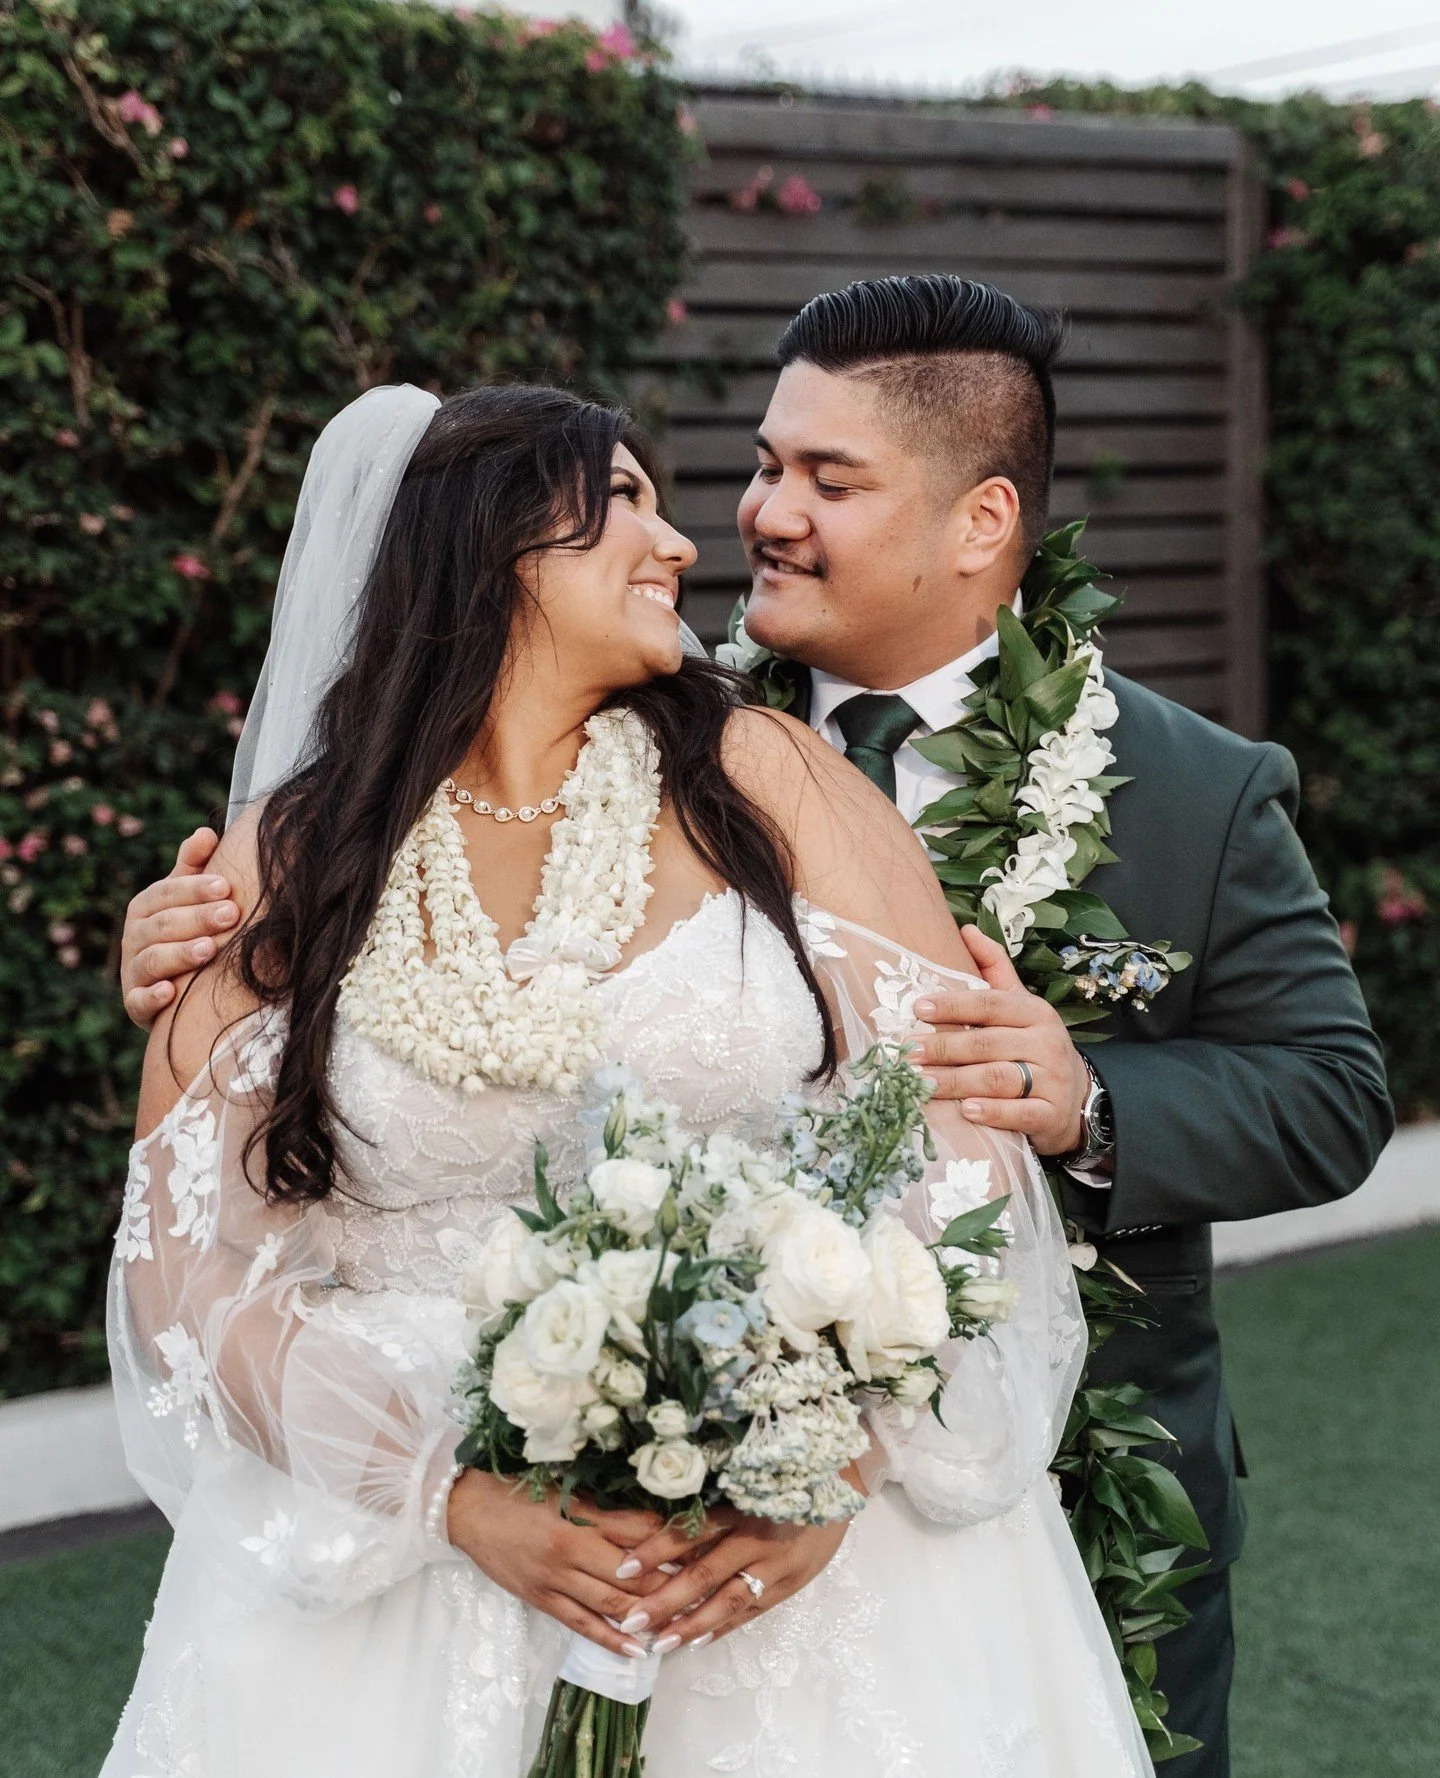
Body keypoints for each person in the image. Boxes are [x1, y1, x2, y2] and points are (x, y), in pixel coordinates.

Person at [121, 278, 1395, 1776]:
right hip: (425, 1560)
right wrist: (440, 1482)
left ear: (980, 520)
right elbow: (192, 1231)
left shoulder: (1171, 787)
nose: (743, 521)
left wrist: (1071, 1113)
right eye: (762, 468)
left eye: (827, 480)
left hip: (977, 1499)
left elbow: (1308, 1092)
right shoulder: (590, 728)